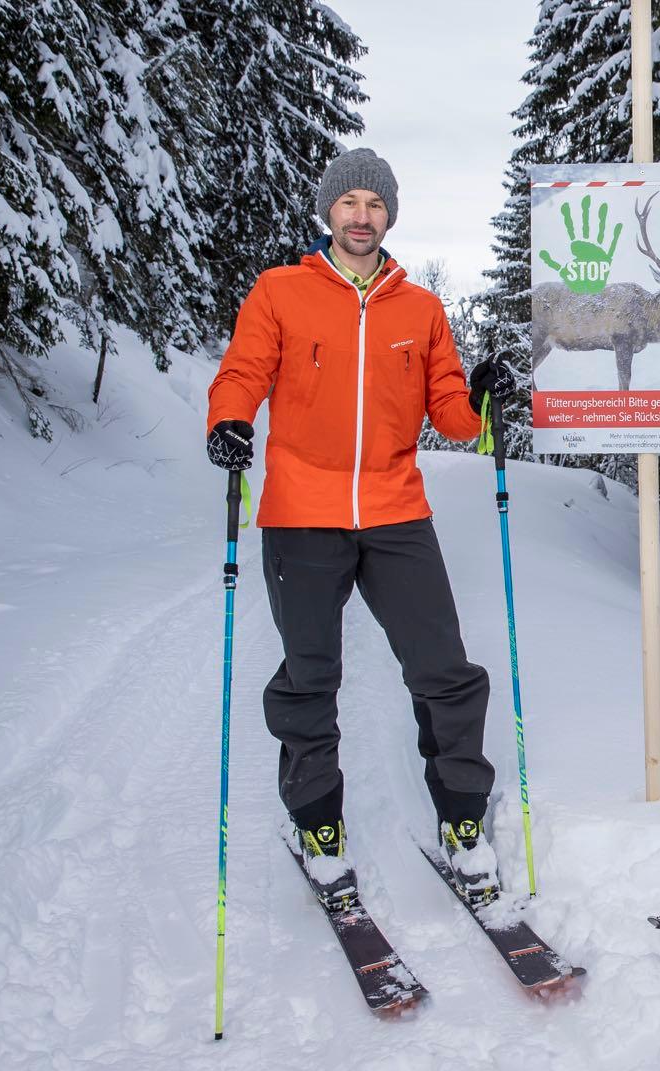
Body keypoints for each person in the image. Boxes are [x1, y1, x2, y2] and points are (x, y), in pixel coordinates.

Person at [204, 147, 515, 902]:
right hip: (301, 514)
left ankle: (463, 814)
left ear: (389, 216)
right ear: (328, 212)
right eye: (350, 204)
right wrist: (230, 419)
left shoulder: (420, 308)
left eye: (375, 205)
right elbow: (243, 370)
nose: (361, 216)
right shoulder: (281, 292)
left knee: (444, 667)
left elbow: (447, 410)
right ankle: (316, 818)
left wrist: (477, 400)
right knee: (310, 675)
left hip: (395, 509)